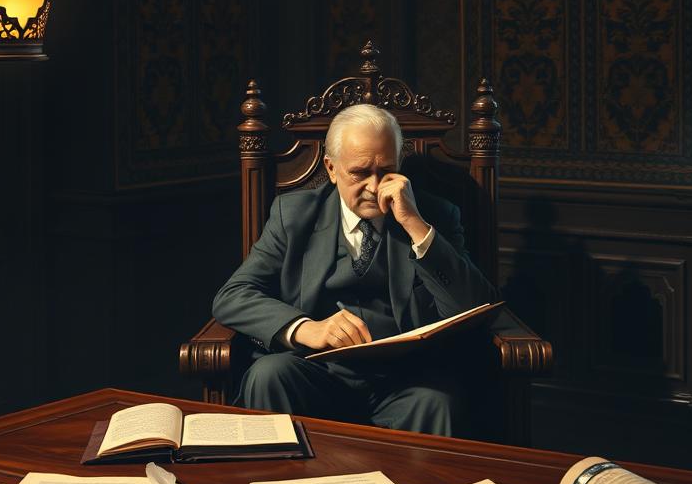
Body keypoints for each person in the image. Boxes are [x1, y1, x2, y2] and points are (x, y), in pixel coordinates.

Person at [211, 104, 504, 436]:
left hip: (406, 381)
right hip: (317, 372)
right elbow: (233, 296)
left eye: (386, 170)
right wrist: (306, 328)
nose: (375, 186)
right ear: (332, 169)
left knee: (438, 400)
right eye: (360, 172)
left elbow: (477, 307)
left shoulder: (435, 216)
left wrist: (414, 224)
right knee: (269, 374)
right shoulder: (292, 216)